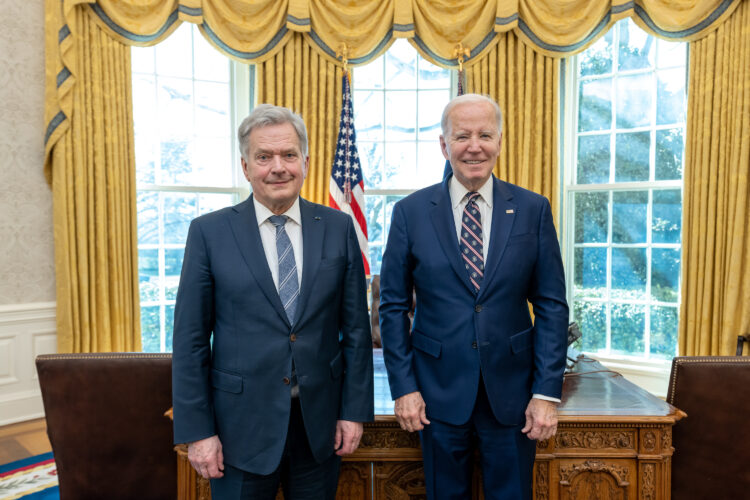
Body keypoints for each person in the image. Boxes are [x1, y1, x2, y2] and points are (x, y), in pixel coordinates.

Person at [172, 104, 374, 500]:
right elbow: (191, 341)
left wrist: (353, 411)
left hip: (319, 427)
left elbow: (355, 331)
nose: (278, 167)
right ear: (246, 167)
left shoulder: (337, 228)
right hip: (238, 430)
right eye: (264, 157)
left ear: (305, 162)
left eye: (288, 155)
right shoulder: (209, 233)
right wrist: (199, 431)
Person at [379, 94, 568, 500]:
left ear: (500, 141)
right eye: (462, 136)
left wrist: (545, 392)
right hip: (435, 394)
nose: (474, 146)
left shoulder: (533, 209)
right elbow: (393, 307)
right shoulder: (410, 212)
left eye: (485, 134)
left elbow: (551, 305)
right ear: (444, 145)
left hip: (515, 396)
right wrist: (404, 388)